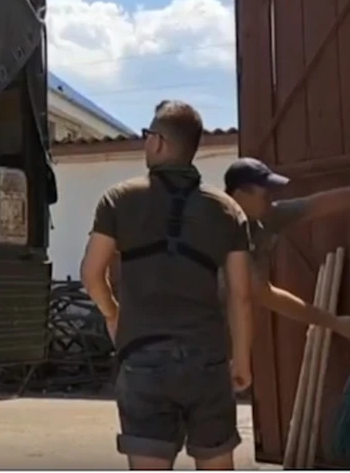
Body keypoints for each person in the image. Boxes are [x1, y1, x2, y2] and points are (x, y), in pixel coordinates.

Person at [80, 100, 254, 471]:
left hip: (143, 357)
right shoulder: (227, 211)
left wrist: (114, 316)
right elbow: (241, 295)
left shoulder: (118, 199)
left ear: (158, 142)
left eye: (147, 136)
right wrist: (242, 358)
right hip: (207, 360)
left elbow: (92, 274)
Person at [224, 157, 350, 339]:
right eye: (265, 196)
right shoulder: (220, 230)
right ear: (239, 195)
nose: (271, 200)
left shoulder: (266, 216)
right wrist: (334, 323)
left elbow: (316, 205)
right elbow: (263, 294)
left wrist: (334, 323)